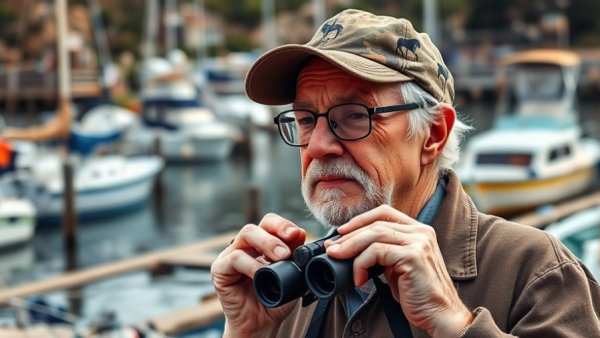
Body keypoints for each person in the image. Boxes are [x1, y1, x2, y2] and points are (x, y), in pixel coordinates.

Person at [210, 8, 600, 337]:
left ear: (433, 133)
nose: (317, 146)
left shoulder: (534, 270)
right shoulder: (286, 292)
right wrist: (247, 333)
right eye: (306, 119)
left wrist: (455, 322)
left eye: (354, 116)